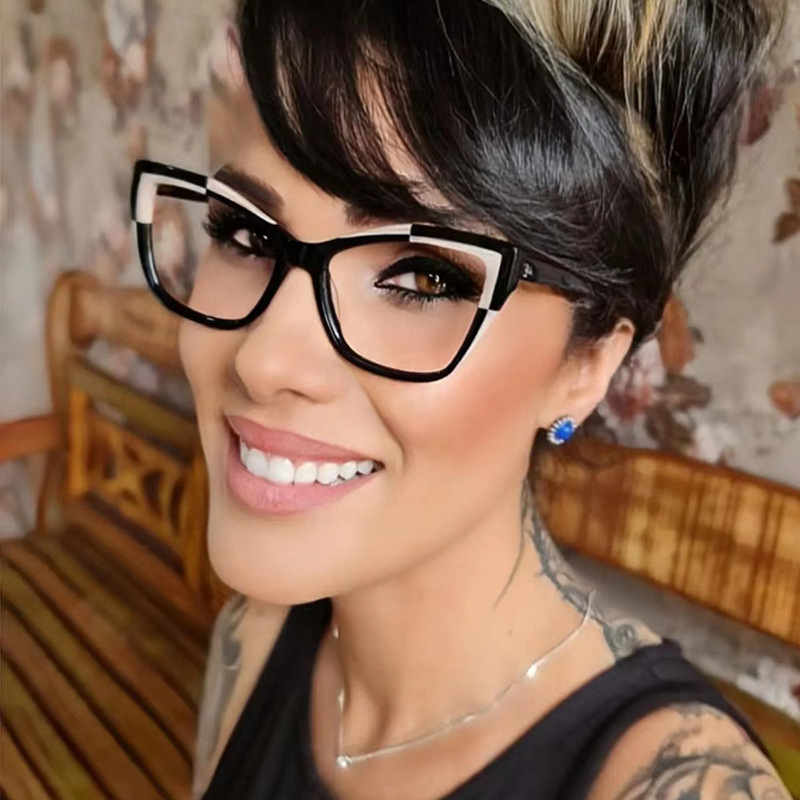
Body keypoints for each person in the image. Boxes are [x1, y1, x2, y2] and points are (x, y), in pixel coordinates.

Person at [130, 0, 791, 797]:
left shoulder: (672, 784)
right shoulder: (255, 634)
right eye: (247, 235)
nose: (264, 359)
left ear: (585, 367)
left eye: (421, 277)